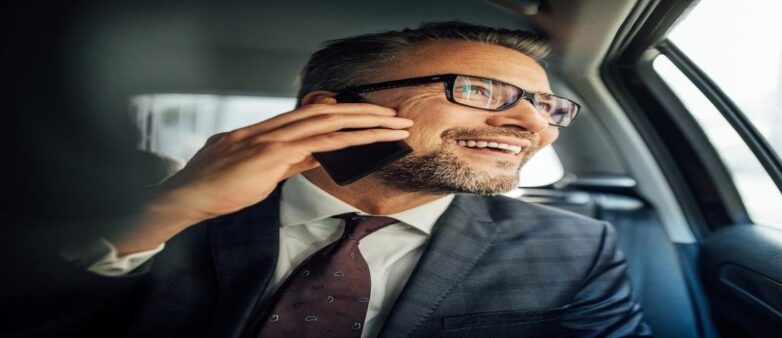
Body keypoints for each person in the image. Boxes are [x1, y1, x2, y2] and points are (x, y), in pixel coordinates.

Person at [60, 21, 650, 337]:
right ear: (327, 110)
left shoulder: (574, 247)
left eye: (548, 107)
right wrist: (168, 210)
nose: (530, 123)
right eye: (476, 91)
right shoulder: (159, 220)